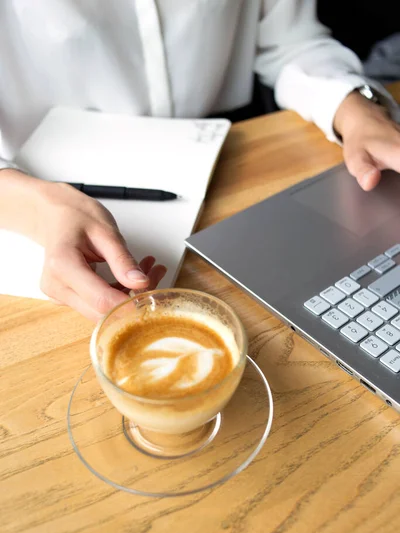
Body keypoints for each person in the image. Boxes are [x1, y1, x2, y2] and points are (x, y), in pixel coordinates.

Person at [1, 0, 400, 321]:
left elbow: (289, 42)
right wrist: (34, 207)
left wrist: (356, 107)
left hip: (228, 163)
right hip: (33, 186)